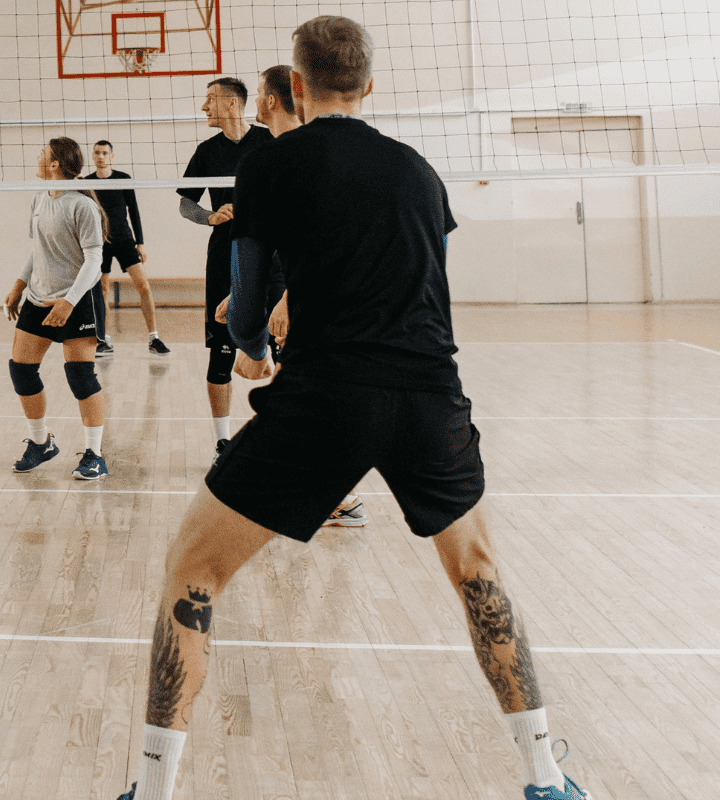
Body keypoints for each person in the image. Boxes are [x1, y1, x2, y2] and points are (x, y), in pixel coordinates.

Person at [113, 16, 592, 800]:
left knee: (191, 572)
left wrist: (256, 348)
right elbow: (428, 290)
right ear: (370, 86)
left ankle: (154, 789)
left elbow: (243, 315)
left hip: (325, 397)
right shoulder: (419, 173)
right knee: (478, 572)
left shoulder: (269, 166)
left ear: (294, 86)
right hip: (428, 393)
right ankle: (546, 775)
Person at [214, 64, 368, 529]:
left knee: (312, 397)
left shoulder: (303, 157)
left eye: (259, 92)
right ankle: (318, 491)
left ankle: (340, 498)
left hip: (310, 299)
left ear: (273, 101)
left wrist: (280, 305)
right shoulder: (278, 156)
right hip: (290, 292)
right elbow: (275, 243)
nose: (254, 99)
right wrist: (243, 292)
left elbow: (328, 243)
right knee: (297, 394)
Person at [177, 77, 273, 462]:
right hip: (223, 258)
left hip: (272, 257)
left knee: (282, 349)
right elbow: (186, 204)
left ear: (233, 104)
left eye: (210, 100)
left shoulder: (270, 142)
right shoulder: (206, 151)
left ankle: (278, 435)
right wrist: (210, 216)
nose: (204, 107)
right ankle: (223, 442)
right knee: (221, 351)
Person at [5, 137, 110, 480]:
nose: (37, 156)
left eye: (41, 153)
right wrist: (19, 285)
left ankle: (95, 454)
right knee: (21, 369)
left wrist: (69, 301)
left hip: (78, 300)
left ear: (54, 164)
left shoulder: (82, 206)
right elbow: (38, 250)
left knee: (80, 376)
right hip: (39, 296)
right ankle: (41, 443)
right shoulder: (40, 197)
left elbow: (95, 258)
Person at [83, 141, 170, 356]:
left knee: (144, 286)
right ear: (93, 156)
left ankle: (154, 338)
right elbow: (83, 216)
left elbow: (134, 211)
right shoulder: (86, 183)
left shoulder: (123, 179)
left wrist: (140, 242)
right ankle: (103, 339)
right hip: (98, 242)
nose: (101, 156)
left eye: (105, 153)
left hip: (124, 240)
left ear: (112, 156)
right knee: (102, 289)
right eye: (97, 153)